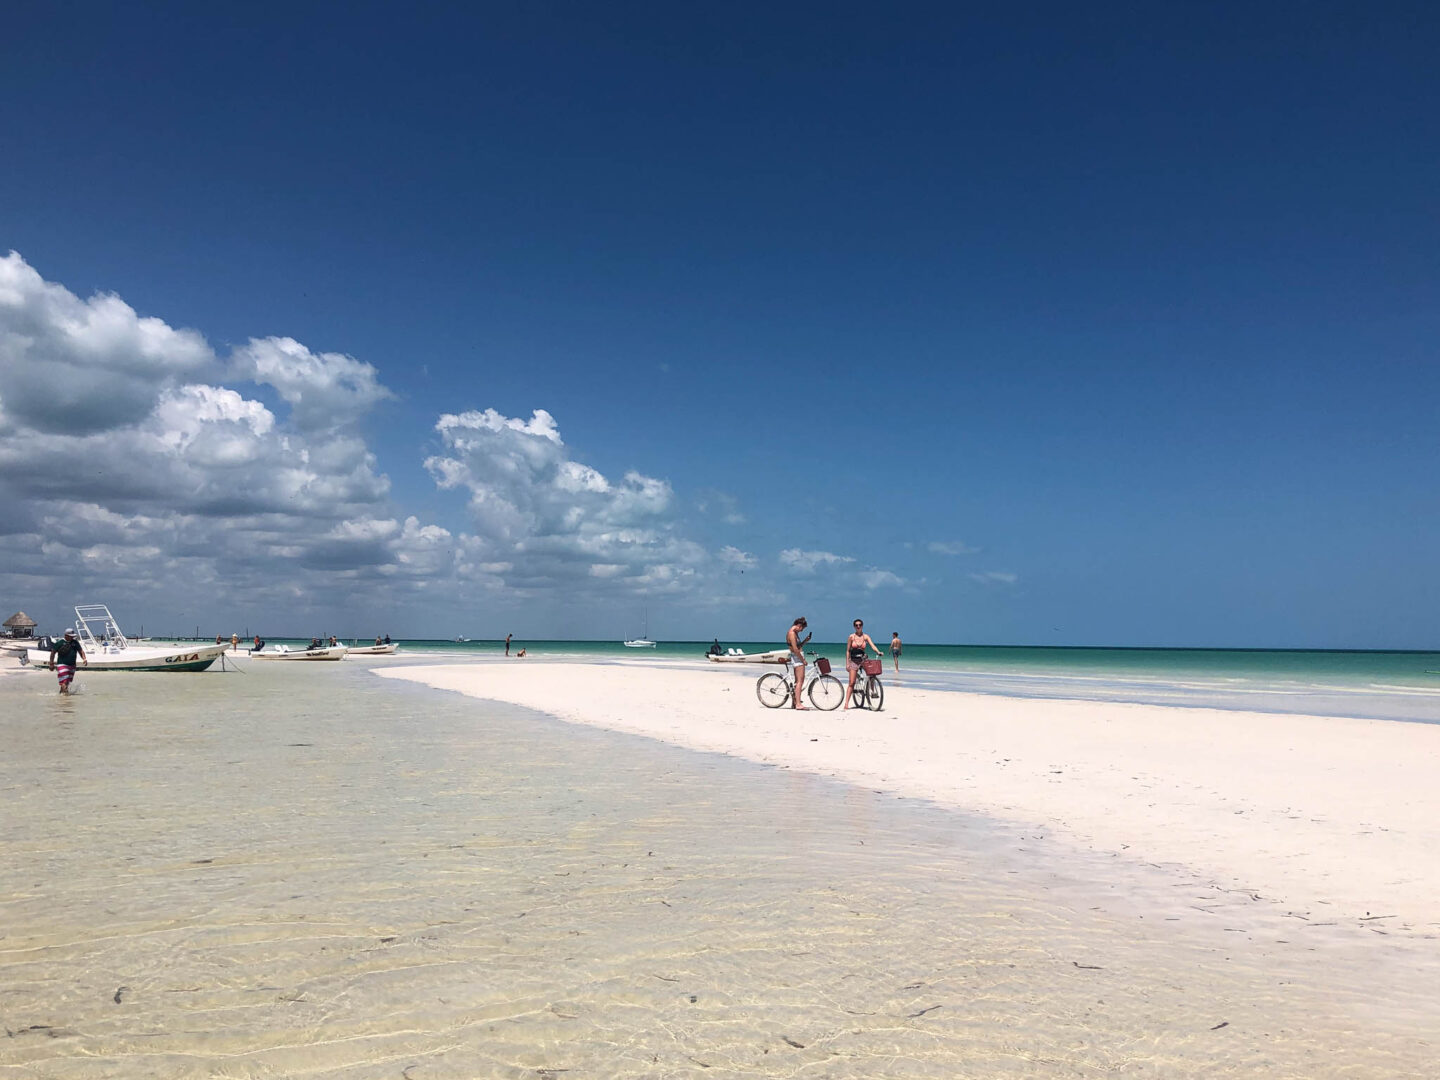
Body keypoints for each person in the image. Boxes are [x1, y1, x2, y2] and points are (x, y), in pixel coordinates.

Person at [843, 618, 884, 710]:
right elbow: (848, 651)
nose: (858, 626)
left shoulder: (865, 637)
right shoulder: (851, 637)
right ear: (854, 626)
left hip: (863, 659)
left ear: (862, 626)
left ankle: (873, 691)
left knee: (872, 674)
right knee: (852, 682)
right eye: (856, 625)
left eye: (860, 625)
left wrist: (878, 652)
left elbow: (872, 645)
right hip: (853, 660)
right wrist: (847, 663)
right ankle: (846, 703)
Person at [48, 628, 87, 694]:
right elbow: (53, 652)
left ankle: (61, 697)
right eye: (71, 636)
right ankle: (66, 699)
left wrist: (84, 659)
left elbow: (80, 651)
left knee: (67, 682)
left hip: (72, 665)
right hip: (62, 664)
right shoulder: (60, 643)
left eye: (73, 636)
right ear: (66, 635)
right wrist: (51, 663)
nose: (72, 637)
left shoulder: (75, 642)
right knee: (65, 682)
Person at [786, 616, 812, 709]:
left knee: (798, 681)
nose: (802, 631)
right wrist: (803, 660)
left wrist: (805, 640)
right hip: (797, 658)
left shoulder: (795, 633)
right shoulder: (792, 633)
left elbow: (798, 646)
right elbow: (796, 650)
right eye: (802, 629)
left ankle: (795, 702)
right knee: (800, 681)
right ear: (799, 626)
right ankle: (798, 704)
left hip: (797, 657)